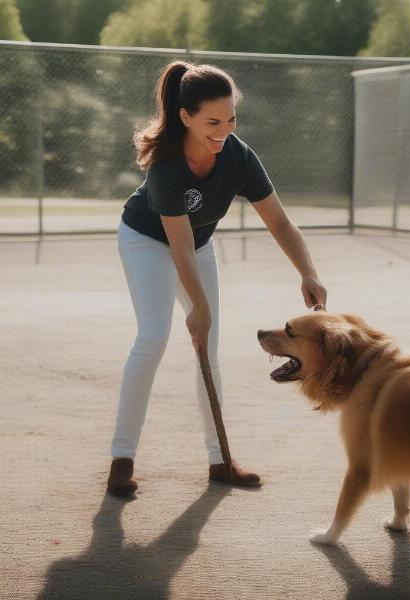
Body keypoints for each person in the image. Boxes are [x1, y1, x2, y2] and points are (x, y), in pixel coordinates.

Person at [107, 61, 327, 496]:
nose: (223, 130)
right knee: (153, 337)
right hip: (146, 241)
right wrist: (199, 308)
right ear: (185, 116)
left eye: (230, 119)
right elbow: (178, 245)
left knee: (209, 347)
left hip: (198, 244)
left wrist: (308, 272)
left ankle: (220, 461)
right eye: (212, 121)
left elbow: (280, 224)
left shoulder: (239, 156)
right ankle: (122, 458)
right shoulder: (166, 167)